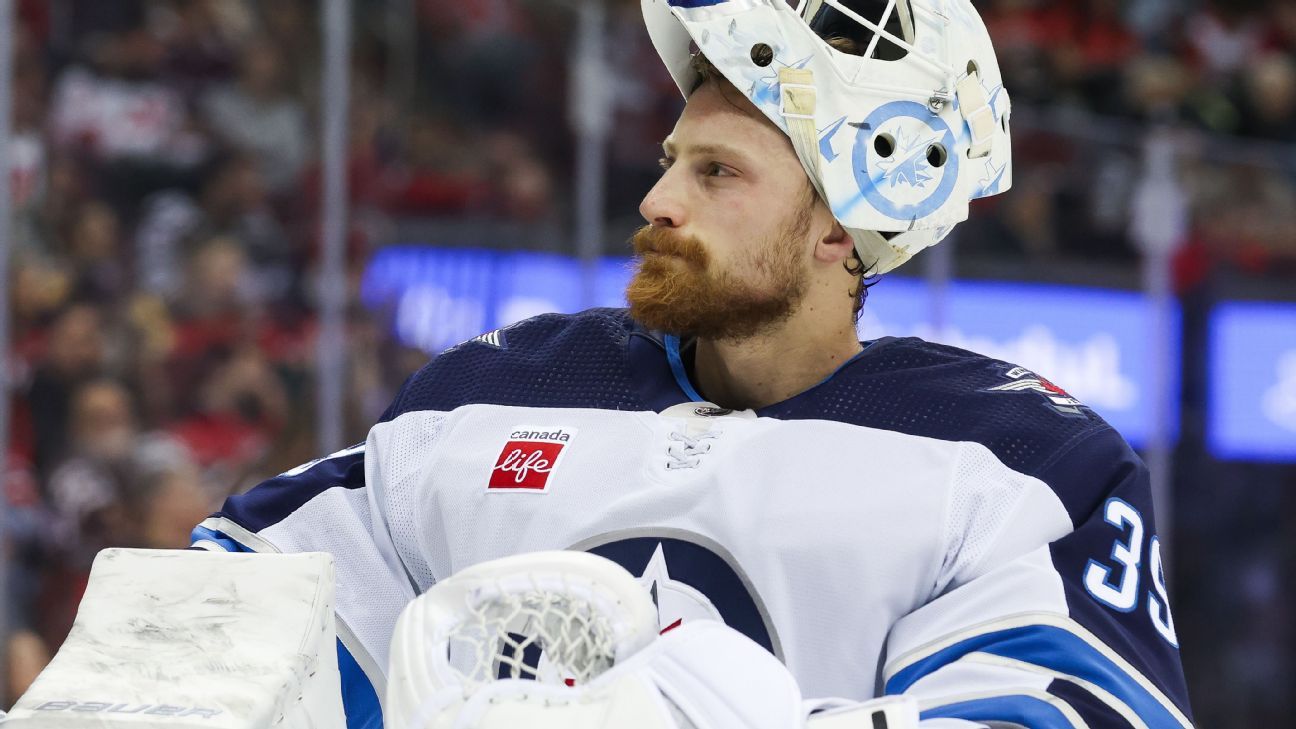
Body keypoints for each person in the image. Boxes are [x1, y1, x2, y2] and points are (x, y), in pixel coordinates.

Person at [192, 0, 1193, 727]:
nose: (659, 201)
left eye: (718, 173)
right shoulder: (488, 394)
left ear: (840, 225)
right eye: (673, 160)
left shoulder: (1026, 467)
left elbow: (1056, 710)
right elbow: (232, 624)